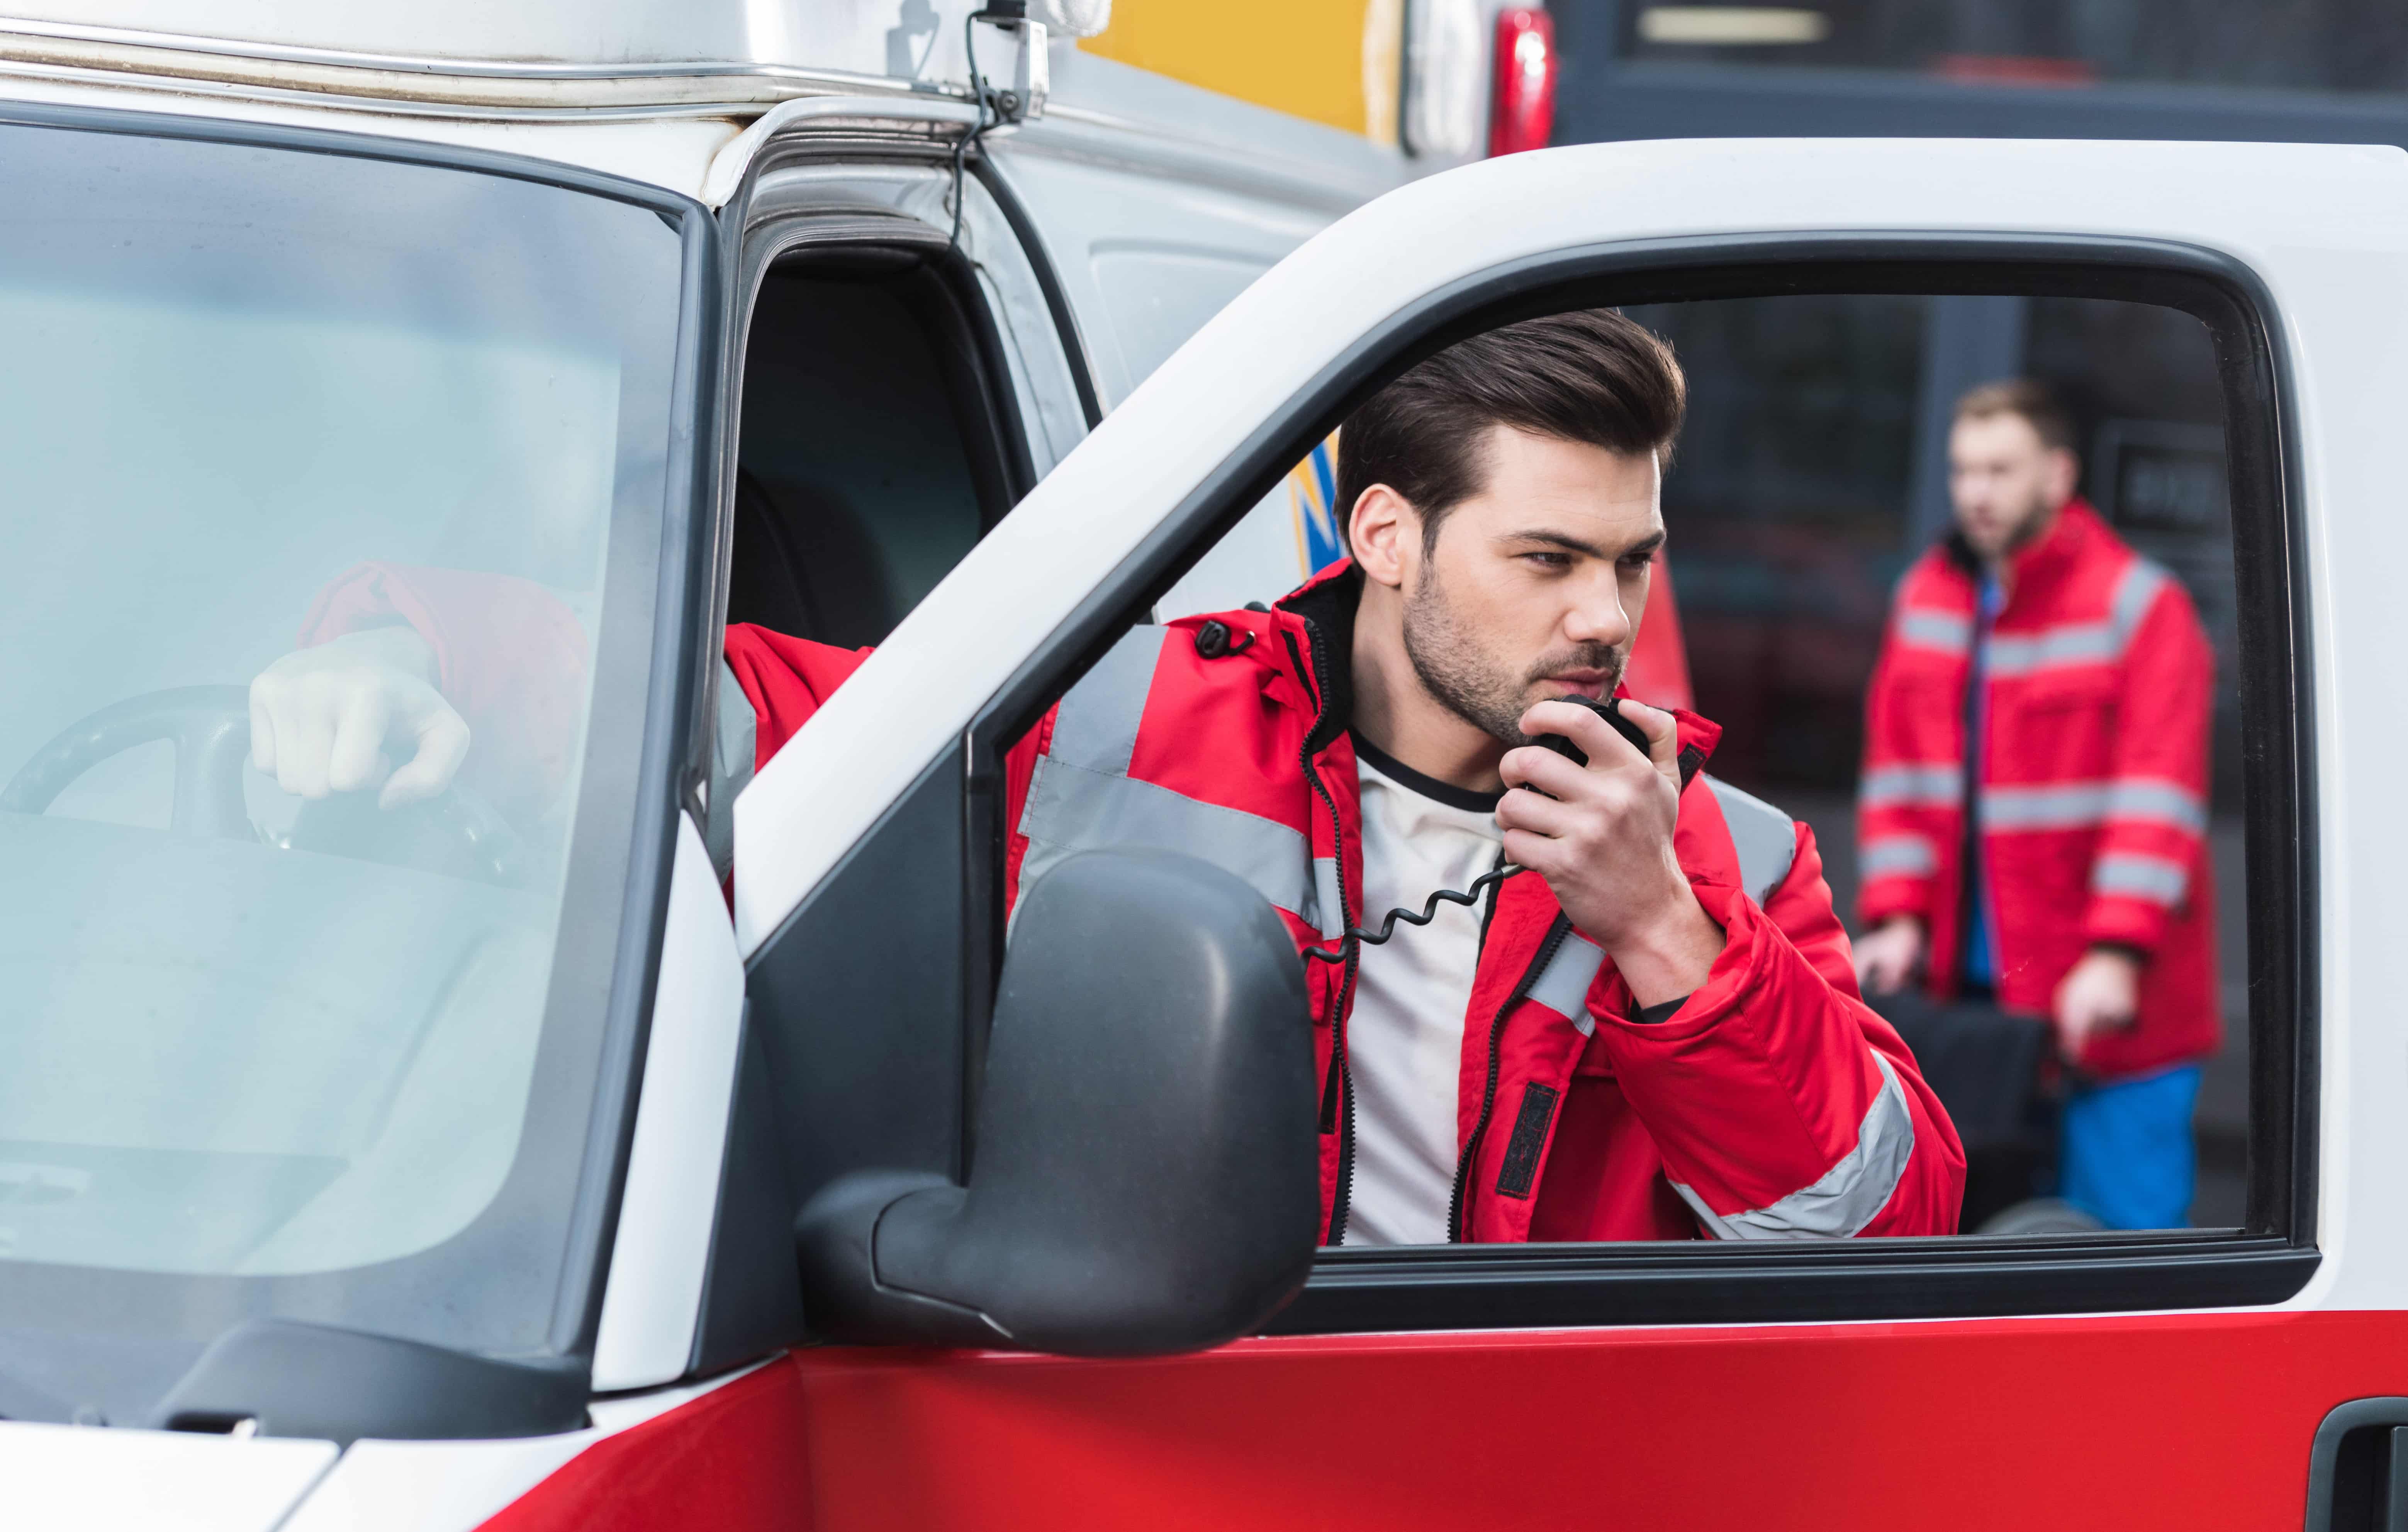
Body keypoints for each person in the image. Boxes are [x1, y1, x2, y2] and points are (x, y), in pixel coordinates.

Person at [251, 310, 1965, 1245]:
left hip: (1511, 1458)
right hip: (1156, 1436)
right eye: (1547, 558)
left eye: (1631, 559)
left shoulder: (1725, 857)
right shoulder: (1117, 713)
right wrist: (406, 653)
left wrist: (1664, 933)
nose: (1606, 615)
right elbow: (746, 711)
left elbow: (1878, 1224)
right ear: (1385, 535)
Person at [1854, 378, 2218, 1230]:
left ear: (2058, 475)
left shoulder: (2138, 603)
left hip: (2110, 1002)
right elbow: (1900, 778)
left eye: (2000, 470)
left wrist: (2116, 953)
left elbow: (2157, 797)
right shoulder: (1927, 597)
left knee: (2122, 1250)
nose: (1976, 492)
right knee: (1981, 1247)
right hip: (1977, 1002)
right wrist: (1899, 917)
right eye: (1963, 470)